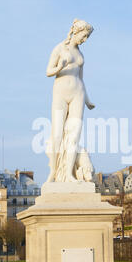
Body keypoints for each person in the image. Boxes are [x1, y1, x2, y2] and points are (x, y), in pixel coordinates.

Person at [45, 19, 95, 183]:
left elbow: (81, 79)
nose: (85, 39)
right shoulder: (60, 48)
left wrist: (88, 101)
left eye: (87, 37)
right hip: (60, 92)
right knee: (57, 135)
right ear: (76, 31)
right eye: (84, 35)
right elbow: (48, 71)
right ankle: (53, 172)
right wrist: (60, 66)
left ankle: (69, 174)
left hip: (78, 94)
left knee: (73, 136)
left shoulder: (80, 54)